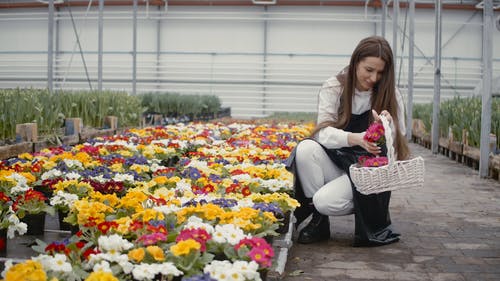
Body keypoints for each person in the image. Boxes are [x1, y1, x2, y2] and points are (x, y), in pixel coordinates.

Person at [286, 36, 410, 246]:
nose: (374, 78)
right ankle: (319, 222)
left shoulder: (391, 93)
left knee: (324, 201)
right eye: (368, 69)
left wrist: (388, 125)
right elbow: (322, 134)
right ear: (355, 63)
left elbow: (400, 139)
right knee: (306, 148)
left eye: (380, 72)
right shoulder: (334, 87)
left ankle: (367, 205)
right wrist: (357, 139)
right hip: (337, 162)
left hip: (367, 171)